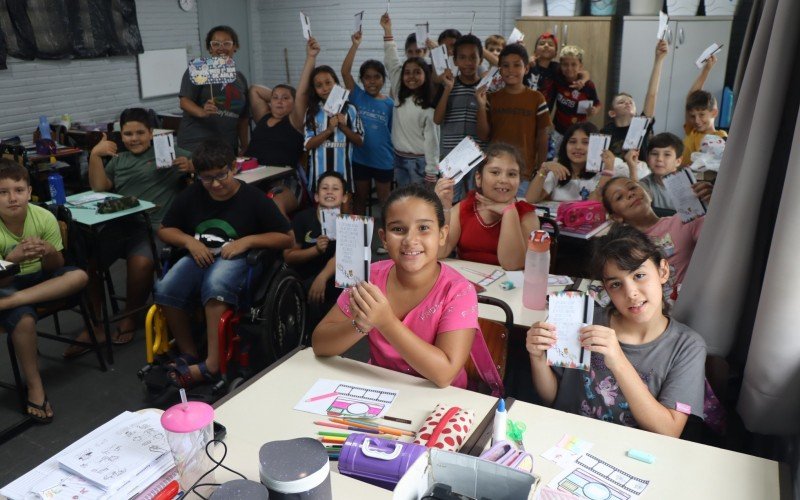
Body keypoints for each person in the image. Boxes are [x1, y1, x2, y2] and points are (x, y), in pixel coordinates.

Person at [526, 224, 707, 437]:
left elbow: (668, 430)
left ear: (663, 271)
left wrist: (619, 361)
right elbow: (552, 398)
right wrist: (537, 357)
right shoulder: (584, 321)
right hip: (565, 439)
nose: (631, 293)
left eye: (639, 275)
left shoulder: (687, 346)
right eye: (615, 284)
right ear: (606, 288)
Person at [154, 138, 293, 387]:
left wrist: (248, 241)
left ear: (233, 167)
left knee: (216, 286)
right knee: (165, 289)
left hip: (240, 258)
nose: (215, 184)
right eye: (207, 178)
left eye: (221, 175)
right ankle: (189, 354)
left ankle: (213, 364)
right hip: (200, 253)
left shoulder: (254, 199)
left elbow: (287, 238)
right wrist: (189, 241)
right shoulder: (192, 194)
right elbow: (165, 230)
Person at [312, 184, 477, 388]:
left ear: (442, 235)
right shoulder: (370, 277)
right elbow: (320, 344)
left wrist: (385, 322)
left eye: (424, 228)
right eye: (398, 229)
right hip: (382, 390)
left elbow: (444, 375)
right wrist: (360, 325)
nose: (410, 240)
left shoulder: (458, 291)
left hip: (440, 402)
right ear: (384, 239)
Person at [67, 108, 192, 354]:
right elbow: (99, 187)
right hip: (122, 224)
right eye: (128, 134)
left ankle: (129, 317)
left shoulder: (166, 152)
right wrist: (94, 156)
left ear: (151, 133)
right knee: (88, 262)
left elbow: (210, 161)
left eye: (140, 133)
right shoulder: (119, 161)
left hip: (156, 226)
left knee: (141, 262)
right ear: (120, 135)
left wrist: (190, 165)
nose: (134, 138)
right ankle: (96, 325)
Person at [0, 159, 89, 422]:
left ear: (29, 192)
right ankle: (35, 385)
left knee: (79, 275)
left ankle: (12, 302)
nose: (12, 198)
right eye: (3, 193)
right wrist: (13, 259)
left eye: (18, 190)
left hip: (40, 282)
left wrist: (49, 251)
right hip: (7, 284)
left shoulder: (44, 216)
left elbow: (56, 267)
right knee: (25, 319)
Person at [244, 38, 319, 216]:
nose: (279, 101)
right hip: (253, 176)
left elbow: (301, 93)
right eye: (275, 97)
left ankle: (288, 242)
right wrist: (279, 98)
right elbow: (254, 89)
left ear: (295, 105)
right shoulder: (263, 117)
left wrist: (310, 57)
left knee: (273, 207)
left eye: (285, 98)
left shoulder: (295, 121)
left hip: (284, 180)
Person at [435, 143, 540, 270]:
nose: (504, 180)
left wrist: (509, 212)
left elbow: (512, 264)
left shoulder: (527, 215)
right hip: (468, 284)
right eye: (495, 172)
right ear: (479, 178)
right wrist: (444, 207)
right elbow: (439, 252)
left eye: (512, 174)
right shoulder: (465, 207)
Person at [601, 177, 704, 299]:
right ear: (616, 217)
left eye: (632, 187)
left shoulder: (684, 220)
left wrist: (711, 202)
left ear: (648, 193)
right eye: (619, 197)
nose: (630, 194)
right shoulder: (624, 247)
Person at [476, 43, 551, 197]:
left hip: (523, 173)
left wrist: (540, 170)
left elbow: (543, 136)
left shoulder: (536, 98)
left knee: (518, 215)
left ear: (526, 68)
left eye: (517, 65)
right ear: (499, 69)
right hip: (495, 171)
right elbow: (483, 135)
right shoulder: (492, 98)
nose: (511, 70)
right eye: (505, 65)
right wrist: (481, 106)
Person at [284, 172, 348, 338]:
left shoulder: (351, 224)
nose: (329, 192)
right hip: (304, 277)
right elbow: (289, 256)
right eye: (325, 188)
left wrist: (322, 278)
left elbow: (342, 257)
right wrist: (315, 250)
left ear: (344, 197)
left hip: (336, 279)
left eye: (335, 189)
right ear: (317, 196)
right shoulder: (302, 218)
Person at [382, 13, 440, 187]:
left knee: (419, 206)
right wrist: (387, 30)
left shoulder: (429, 105)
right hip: (399, 158)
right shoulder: (399, 91)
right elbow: (391, 60)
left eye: (417, 73)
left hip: (420, 163)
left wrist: (431, 171)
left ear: (426, 74)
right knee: (404, 203)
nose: (411, 77)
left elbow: (432, 141)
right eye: (407, 73)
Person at [341, 31, 394, 216]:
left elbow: (391, 132)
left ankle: (389, 242)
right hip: (360, 159)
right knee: (360, 201)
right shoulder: (356, 95)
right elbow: (345, 71)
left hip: (383, 160)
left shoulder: (389, 104)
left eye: (377, 77)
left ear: (383, 79)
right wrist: (355, 45)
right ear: (362, 80)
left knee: (385, 202)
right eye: (367, 77)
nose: (372, 81)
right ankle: (359, 243)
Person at [177, 26, 250, 154]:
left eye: (226, 43)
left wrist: (245, 146)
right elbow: (184, 102)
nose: (221, 47)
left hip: (227, 146)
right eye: (215, 44)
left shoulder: (240, 78)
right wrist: (202, 112)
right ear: (210, 49)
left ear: (235, 47)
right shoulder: (198, 70)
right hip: (197, 145)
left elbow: (243, 119)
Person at [526, 122, 635, 203]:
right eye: (572, 142)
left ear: (597, 146)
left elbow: (592, 205)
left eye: (586, 142)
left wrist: (607, 172)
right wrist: (543, 170)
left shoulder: (610, 167)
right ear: (565, 146)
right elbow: (530, 199)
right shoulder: (557, 169)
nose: (578, 147)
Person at [434, 34, 485, 201]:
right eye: (462, 57)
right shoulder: (448, 84)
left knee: (476, 199)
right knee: (450, 200)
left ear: (481, 59)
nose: (468, 62)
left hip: (478, 154)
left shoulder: (485, 89)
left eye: (473, 57)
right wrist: (448, 89)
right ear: (454, 61)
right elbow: (437, 119)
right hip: (451, 155)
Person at [304, 60, 364, 195]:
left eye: (328, 83)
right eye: (319, 85)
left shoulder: (350, 109)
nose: (324, 88)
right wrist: (329, 130)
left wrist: (343, 127)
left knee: (344, 210)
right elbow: (308, 144)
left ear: (336, 83)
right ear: (314, 89)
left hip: (344, 174)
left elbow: (359, 141)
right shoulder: (312, 112)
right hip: (318, 175)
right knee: (320, 212)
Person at [601, 40, 668, 158]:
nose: (627, 103)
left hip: (638, 174)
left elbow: (652, 95)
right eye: (621, 102)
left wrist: (659, 60)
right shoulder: (605, 132)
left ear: (636, 112)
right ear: (612, 113)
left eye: (631, 102)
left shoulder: (640, 126)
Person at [638, 133, 713, 211]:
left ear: (678, 161)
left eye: (667, 154)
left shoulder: (692, 185)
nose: (659, 158)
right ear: (647, 158)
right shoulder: (644, 185)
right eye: (654, 153)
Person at [683, 55, 727, 165]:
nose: (696, 121)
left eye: (702, 115)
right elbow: (690, 98)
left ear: (714, 113)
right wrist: (706, 70)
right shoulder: (692, 131)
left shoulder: (721, 137)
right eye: (692, 116)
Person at [551, 45, 601, 136]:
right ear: (560, 66)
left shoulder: (588, 85)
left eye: (574, 64)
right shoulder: (558, 78)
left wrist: (594, 110)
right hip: (558, 130)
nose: (569, 68)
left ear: (580, 66)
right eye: (565, 64)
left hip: (579, 131)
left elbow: (597, 103)